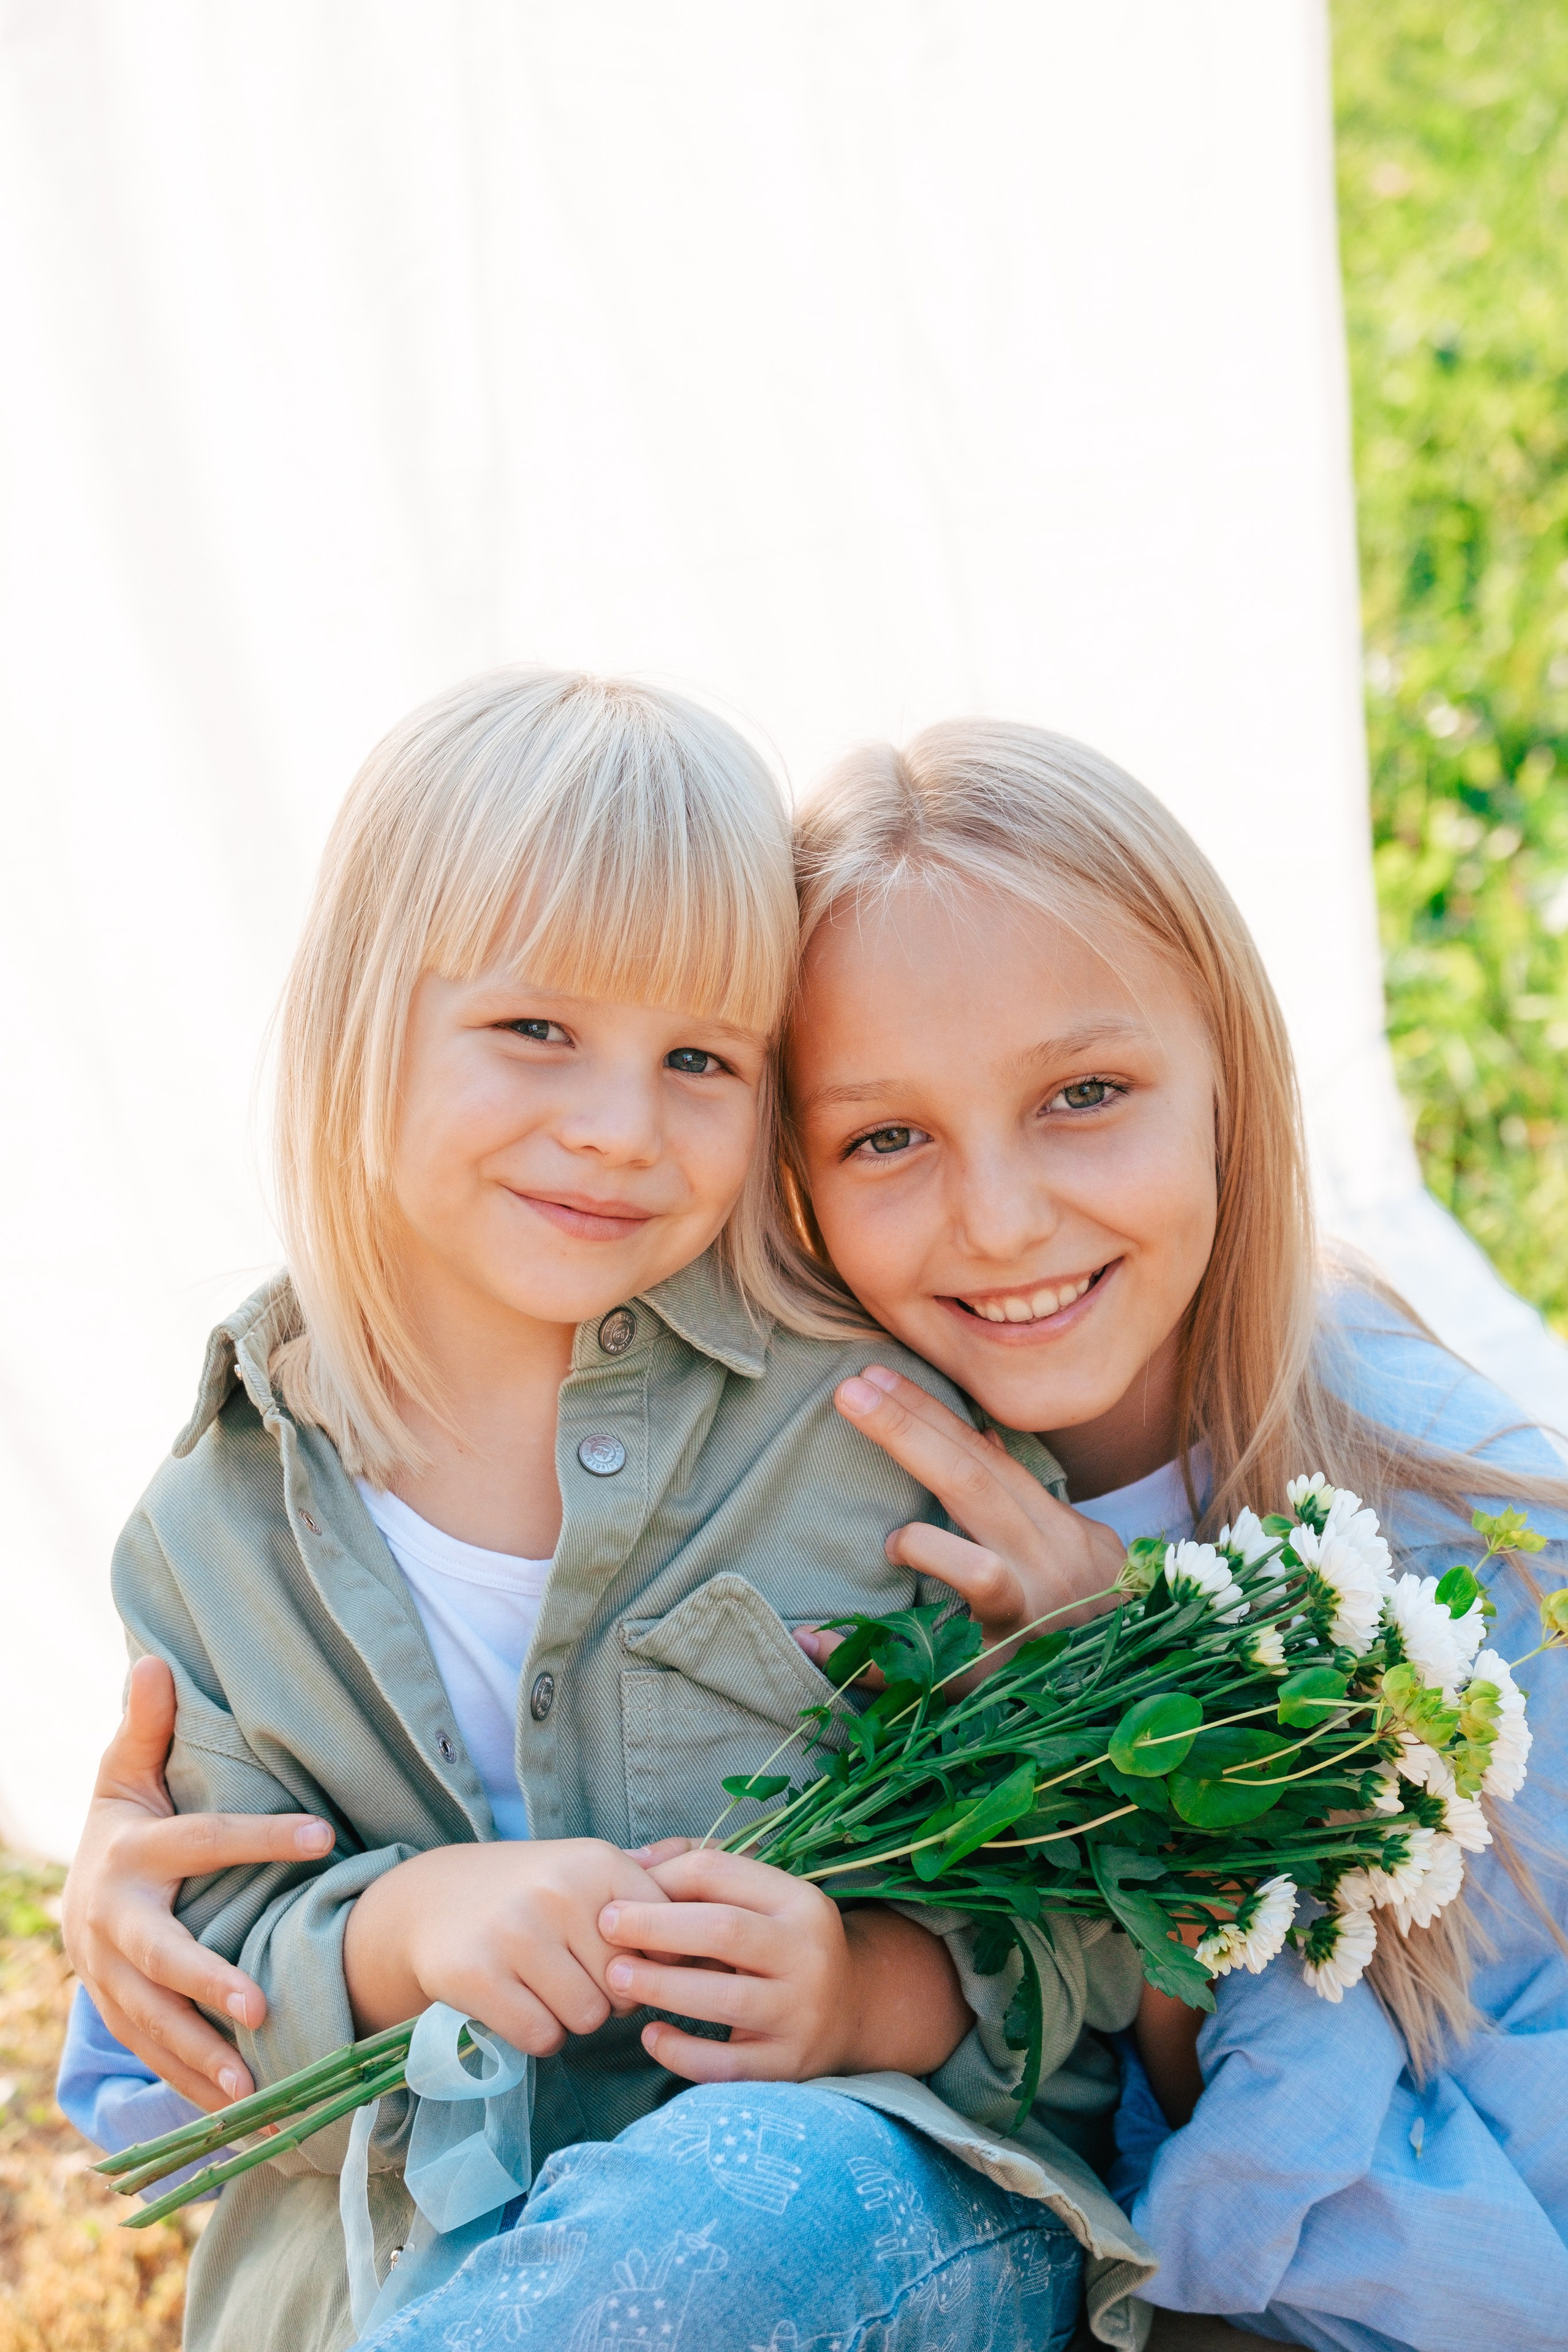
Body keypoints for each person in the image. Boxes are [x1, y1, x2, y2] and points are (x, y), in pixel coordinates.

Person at [67, 715, 1568, 2350]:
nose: (1000, 1217)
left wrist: (1116, 1760)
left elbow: (1309, 2184)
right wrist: (210, 1913)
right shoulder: (795, 1419)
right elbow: (164, 2055)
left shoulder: (1444, 1521)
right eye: (885, 1138)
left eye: (1087, 1094)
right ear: (792, 1170)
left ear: (1235, 1088)